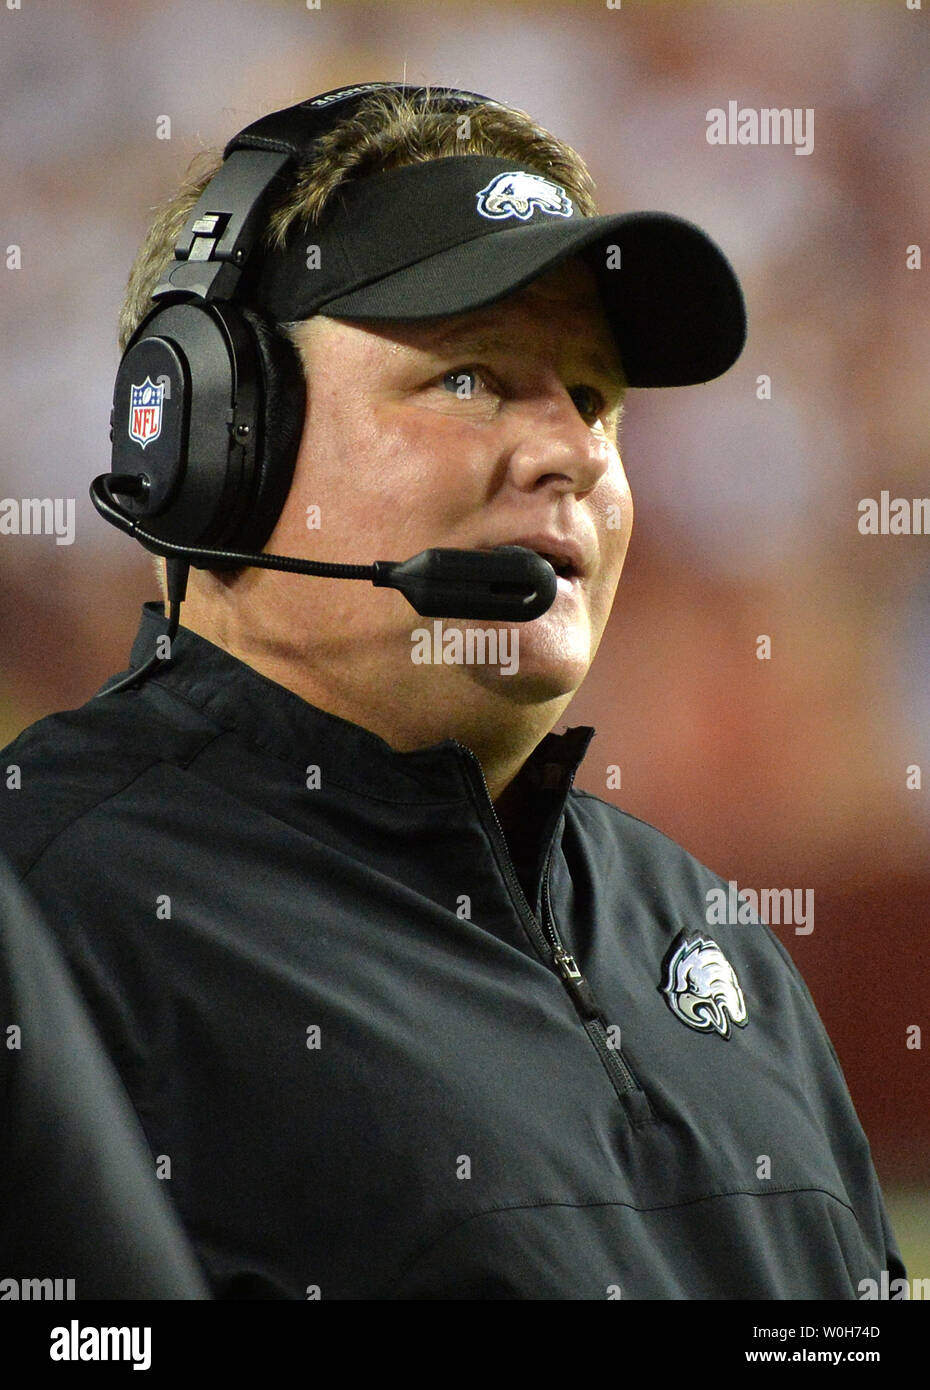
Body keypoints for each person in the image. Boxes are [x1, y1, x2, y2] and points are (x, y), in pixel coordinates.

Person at [0, 82, 903, 1299]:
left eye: (591, 397)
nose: (573, 450)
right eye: (472, 377)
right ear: (214, 440)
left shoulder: (697, 925)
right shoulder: (42, 906)